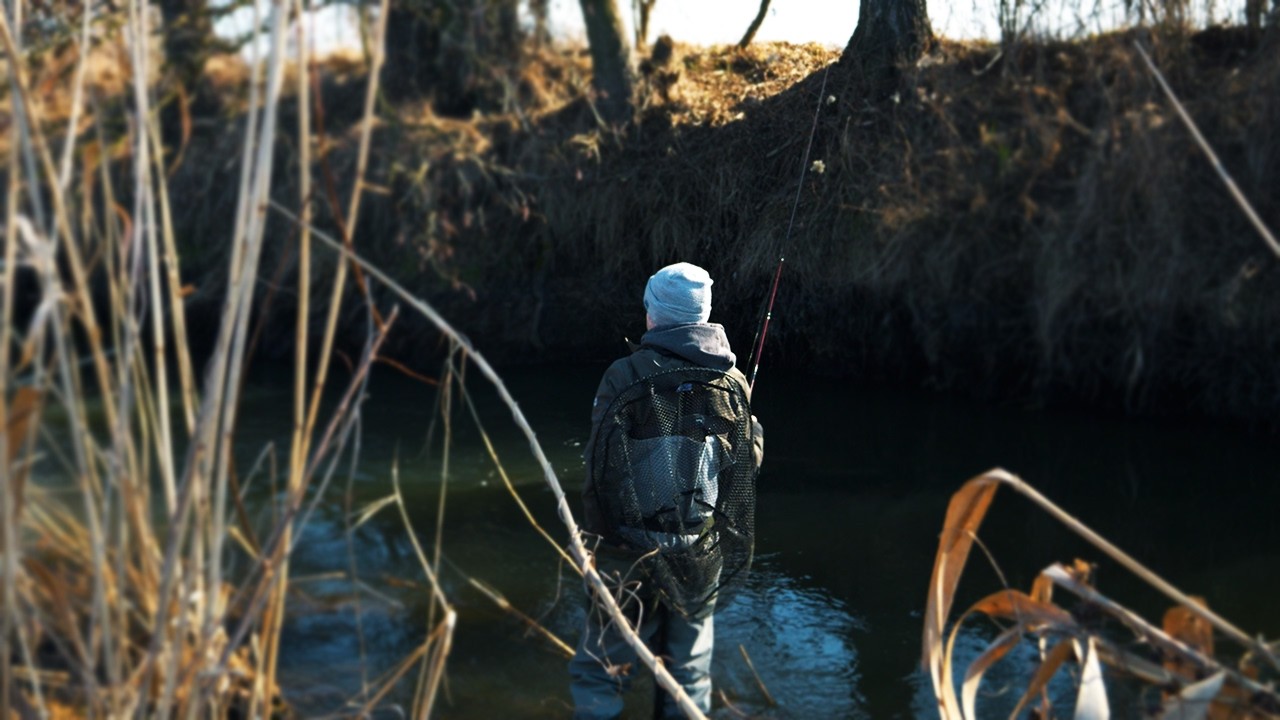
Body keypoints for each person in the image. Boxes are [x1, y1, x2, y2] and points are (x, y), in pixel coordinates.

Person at [570, 262, 764, 719]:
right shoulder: (733, 383)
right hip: (699, 551)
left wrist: (596, 546)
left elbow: (601, 475)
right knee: (689, 673)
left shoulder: (624, 375)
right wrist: (751, 431)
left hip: (627, 553)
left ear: (655, 315)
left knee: (603, 668)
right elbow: (744, 475)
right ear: (704, 314)